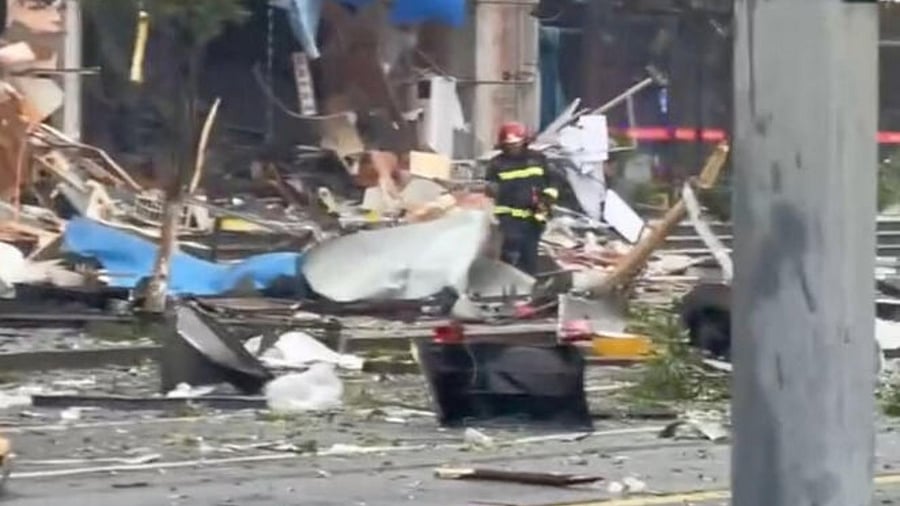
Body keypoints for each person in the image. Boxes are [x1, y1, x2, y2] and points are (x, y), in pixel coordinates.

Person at [485, 121, 558, 275]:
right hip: (509, 221)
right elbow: (490, 191)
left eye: (516, 144)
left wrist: (546, 203)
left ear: (524, 141)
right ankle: (506, 289)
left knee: (530, 258)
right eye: (509, 145)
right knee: (509, 259)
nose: (513, 148)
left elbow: (552, 182)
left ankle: (527, 292)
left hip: (534, 219)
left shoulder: (538, 159)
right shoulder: (496, 164)